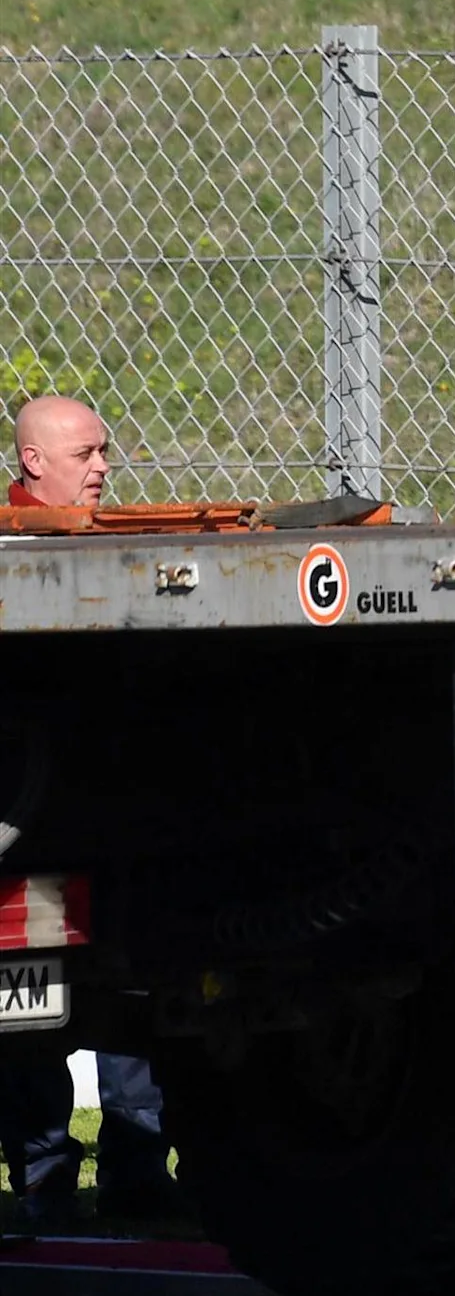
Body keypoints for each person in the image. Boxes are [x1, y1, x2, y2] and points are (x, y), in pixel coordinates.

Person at [1, 395, 175, 1225]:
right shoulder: (12, 546)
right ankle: (43, 1172)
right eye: (86, 454)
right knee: (27, 998)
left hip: (121, 807)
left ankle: (139, 1164)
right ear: (34, 462)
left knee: (141, 986)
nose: (104, 467)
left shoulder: (121, 545)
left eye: (104, 452)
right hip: (35, 815)